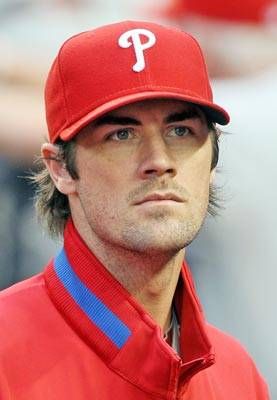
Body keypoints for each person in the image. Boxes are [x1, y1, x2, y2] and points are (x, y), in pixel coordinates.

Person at [0, 20, 270, 399]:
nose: (158, 160)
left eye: (181, 131)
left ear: (212, 161)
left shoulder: (236, 372)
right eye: (121, 134)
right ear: (61, 168)